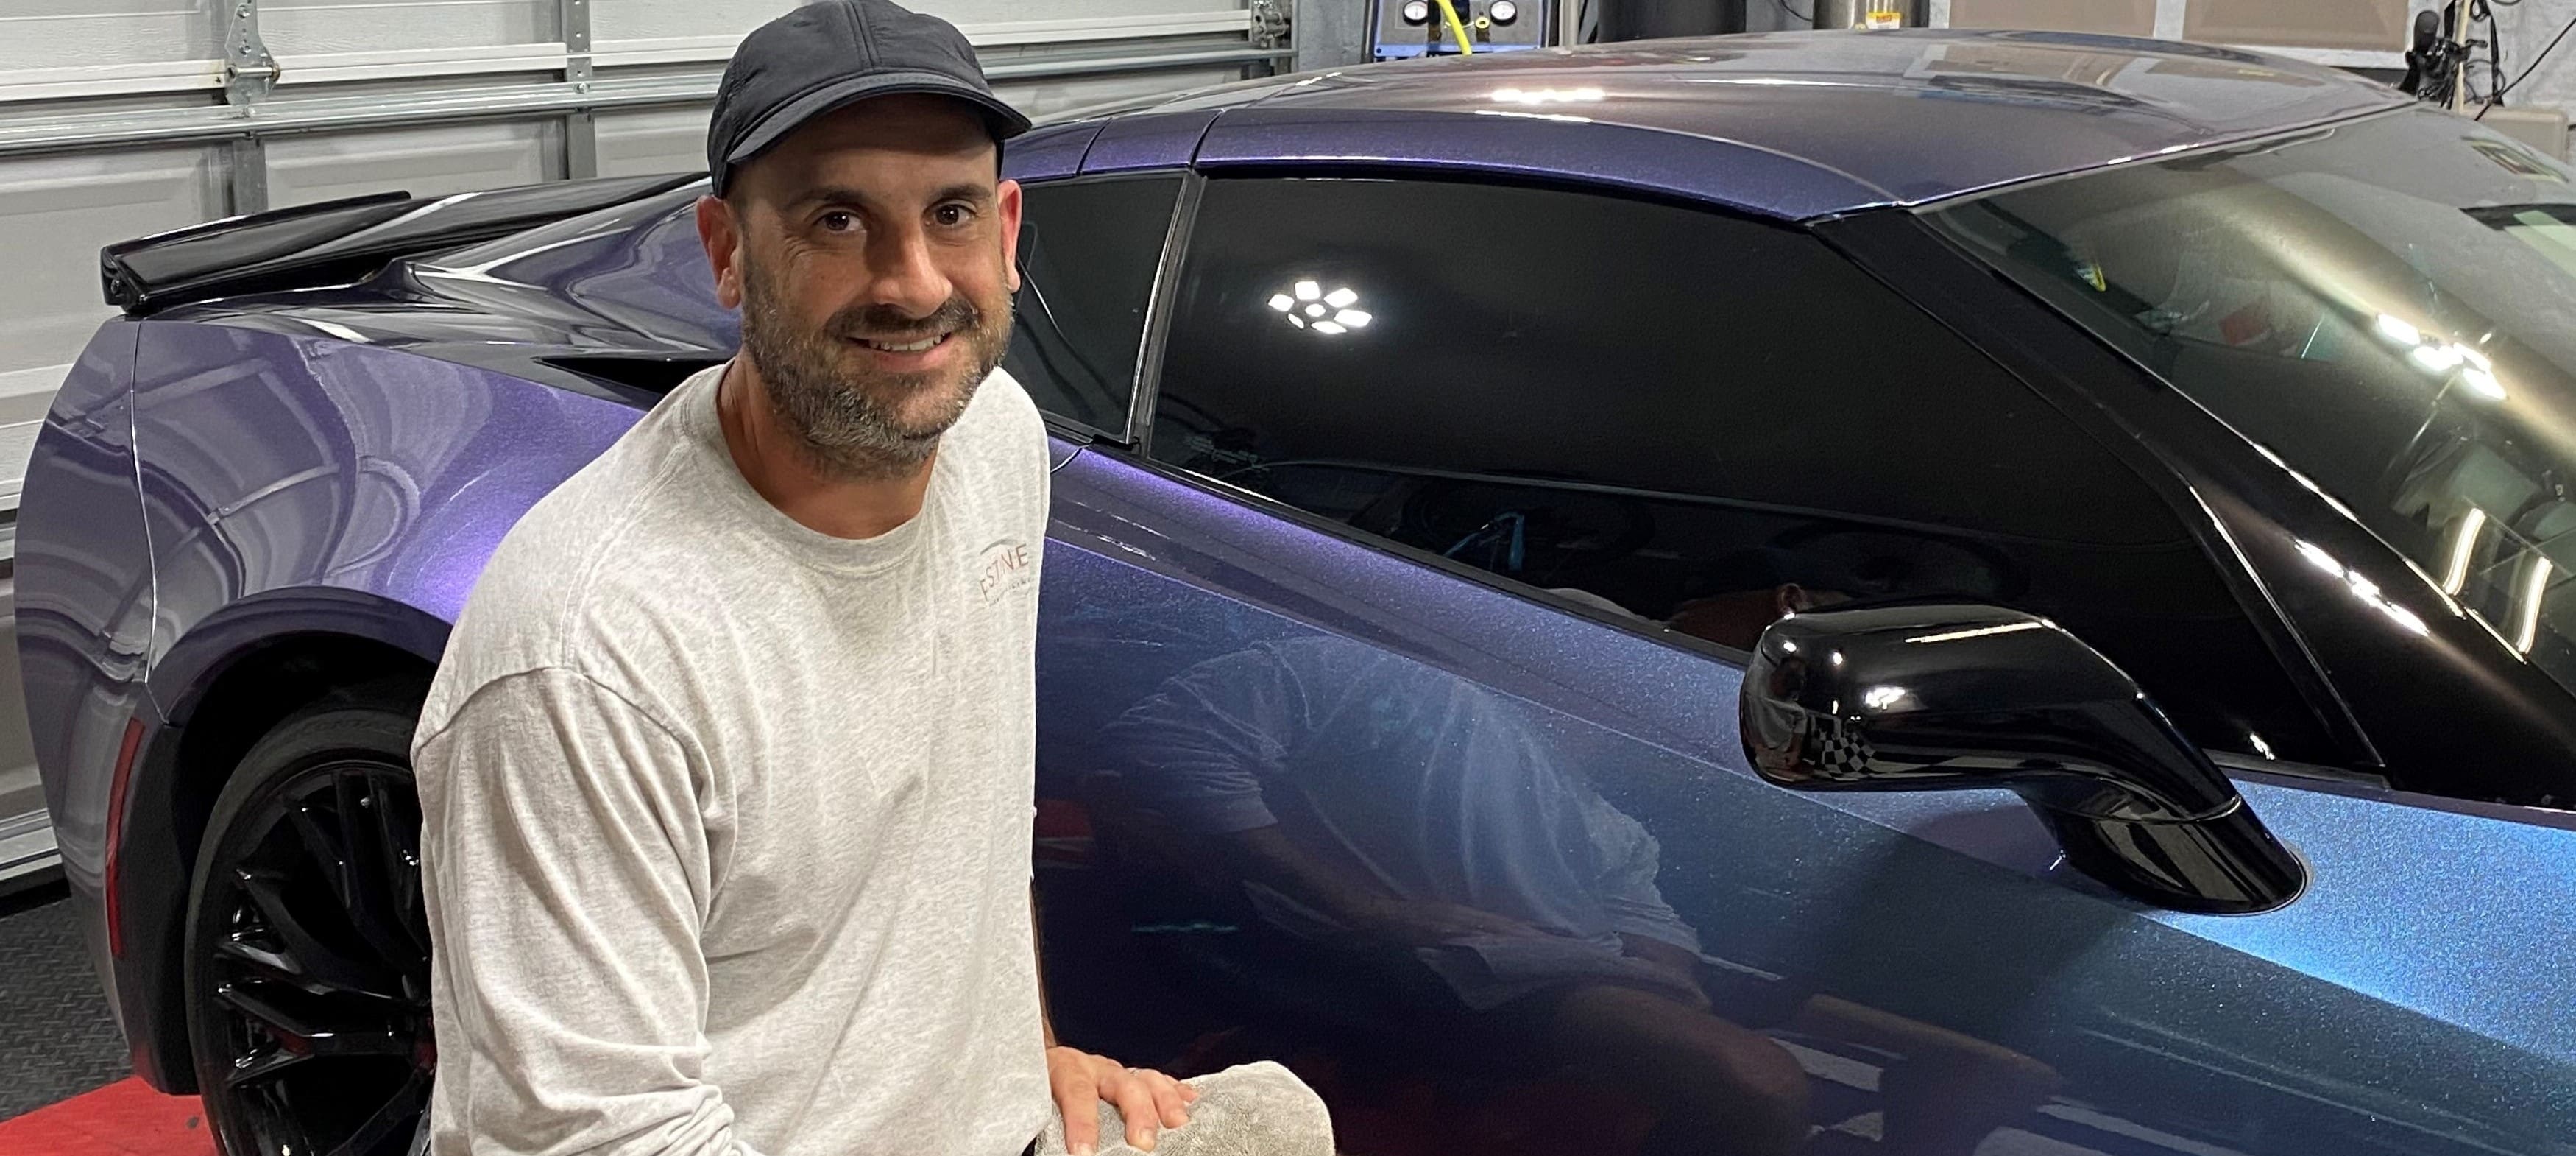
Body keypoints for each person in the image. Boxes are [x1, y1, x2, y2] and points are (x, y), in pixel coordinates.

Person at [408, 4, 1323, 1155]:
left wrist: (1016, 1059)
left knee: (1282, 1120)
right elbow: (603, 1136)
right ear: (728, 252)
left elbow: (974, 838)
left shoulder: (991, 439)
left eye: (949, 214)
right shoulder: (589, 656)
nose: (911, 282)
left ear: (1007, 229)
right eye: (838, 220)